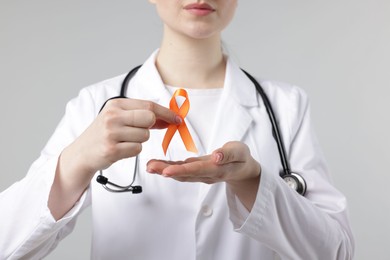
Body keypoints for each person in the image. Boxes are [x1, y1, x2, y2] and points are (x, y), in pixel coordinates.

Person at [0, 1, 355, 259]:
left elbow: (336, 252)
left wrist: (254, 182)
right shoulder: (97, 104)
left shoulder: (286, 106)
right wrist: (76, 160)